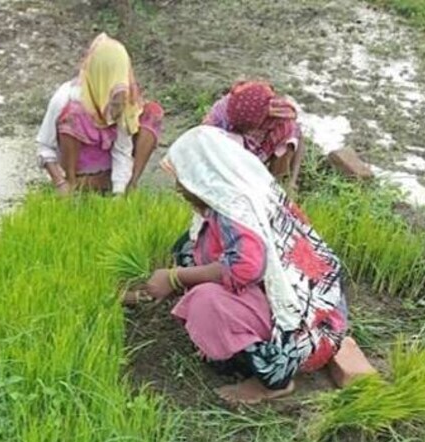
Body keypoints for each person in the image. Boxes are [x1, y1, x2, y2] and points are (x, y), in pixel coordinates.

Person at [131, 126, 347, 405]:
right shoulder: (236, 194)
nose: (178, 188)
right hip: (293, 305)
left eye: (182, 178)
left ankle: (272, 381)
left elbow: (245, 267)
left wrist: (175, 278)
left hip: (305, 333)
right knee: (187, 248)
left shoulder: (237, 211)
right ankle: (233, 332)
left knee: (207, 302)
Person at [36, 33, 163, 195]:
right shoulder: (67, 96)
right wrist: (60, 182)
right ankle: (73, 183)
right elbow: (44, 146)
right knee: (73, 115)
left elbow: (122, 150)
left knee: (152, 112)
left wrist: (119, 192)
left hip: (108, 168)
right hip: (79, 166)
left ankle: (130, 186)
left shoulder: (121, 98)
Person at [202, 80, 303, 191]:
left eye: (247, 128)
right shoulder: (224, 110)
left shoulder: (279, 116)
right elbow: (202, 140)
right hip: (228, 151)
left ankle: (274, 185)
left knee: (288, 140)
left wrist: (292, 182)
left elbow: (298, 136)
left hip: (257, 152)